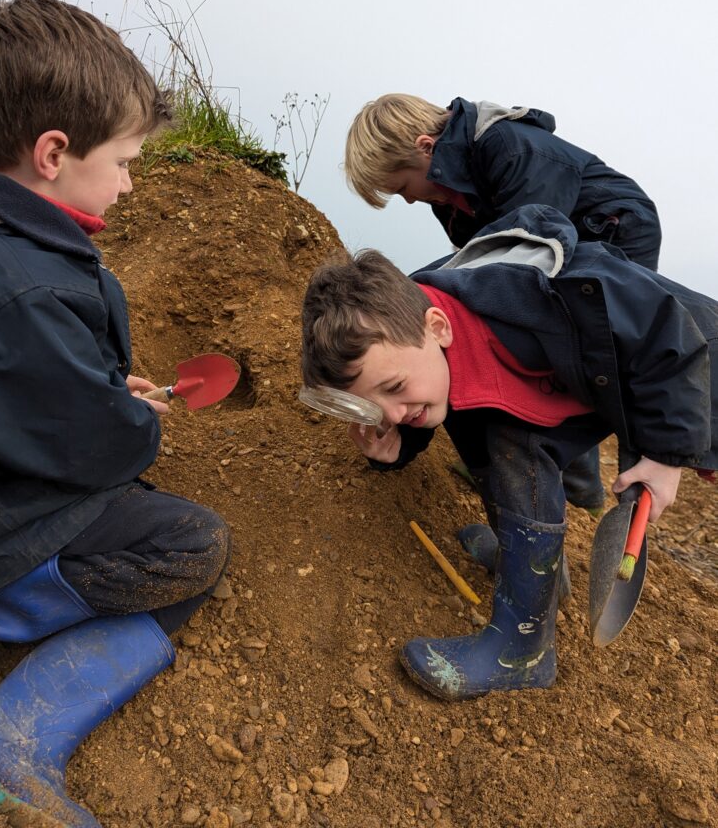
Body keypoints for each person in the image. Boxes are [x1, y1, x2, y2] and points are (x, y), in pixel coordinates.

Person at [0, 0, 231, 828]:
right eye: (125, 159)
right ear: (52, 152)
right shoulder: (20, 290)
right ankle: (12, 735)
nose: (131, 181)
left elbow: (13, 392)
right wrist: (131, 416)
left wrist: (96, 387)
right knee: (190, 544)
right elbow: (101, 452)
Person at [300, 204, 717, 701]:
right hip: (597, 386)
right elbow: (416, 402)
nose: (390, 412)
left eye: (393, 388)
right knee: (490, 430)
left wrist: (668, 453)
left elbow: (665, 332)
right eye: (372, 409)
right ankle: (534, 569)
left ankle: (524, 653)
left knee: (511, 441)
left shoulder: (565, 293)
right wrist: (394, 443)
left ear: (438, 328)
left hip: (693, 372)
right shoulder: (408, 319)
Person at [345, 92, 664, 557]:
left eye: (401, 187)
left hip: (612, 233)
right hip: (552, 245)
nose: (409, 200)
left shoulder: (510, 149)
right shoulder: (447, 196)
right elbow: (481, 263)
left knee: (586, 351)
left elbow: (530, 251)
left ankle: (596, 492)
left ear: (423, 148)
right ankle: (566, 485)